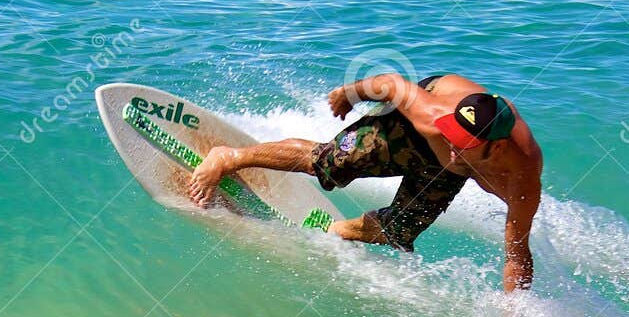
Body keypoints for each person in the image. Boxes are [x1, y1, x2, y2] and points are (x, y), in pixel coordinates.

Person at [188, 73, 543, 291]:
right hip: (405, 129)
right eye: (450, 137)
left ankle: (341, 231)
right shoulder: (434, 118)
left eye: (463, 146)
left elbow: (517, 255)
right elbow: (391, 84)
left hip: (457, 169)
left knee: (397, 234)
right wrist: (350, 93)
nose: (451, 147)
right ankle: (228, 157)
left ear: (497, 148)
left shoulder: (521, 179)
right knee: (329, 165)